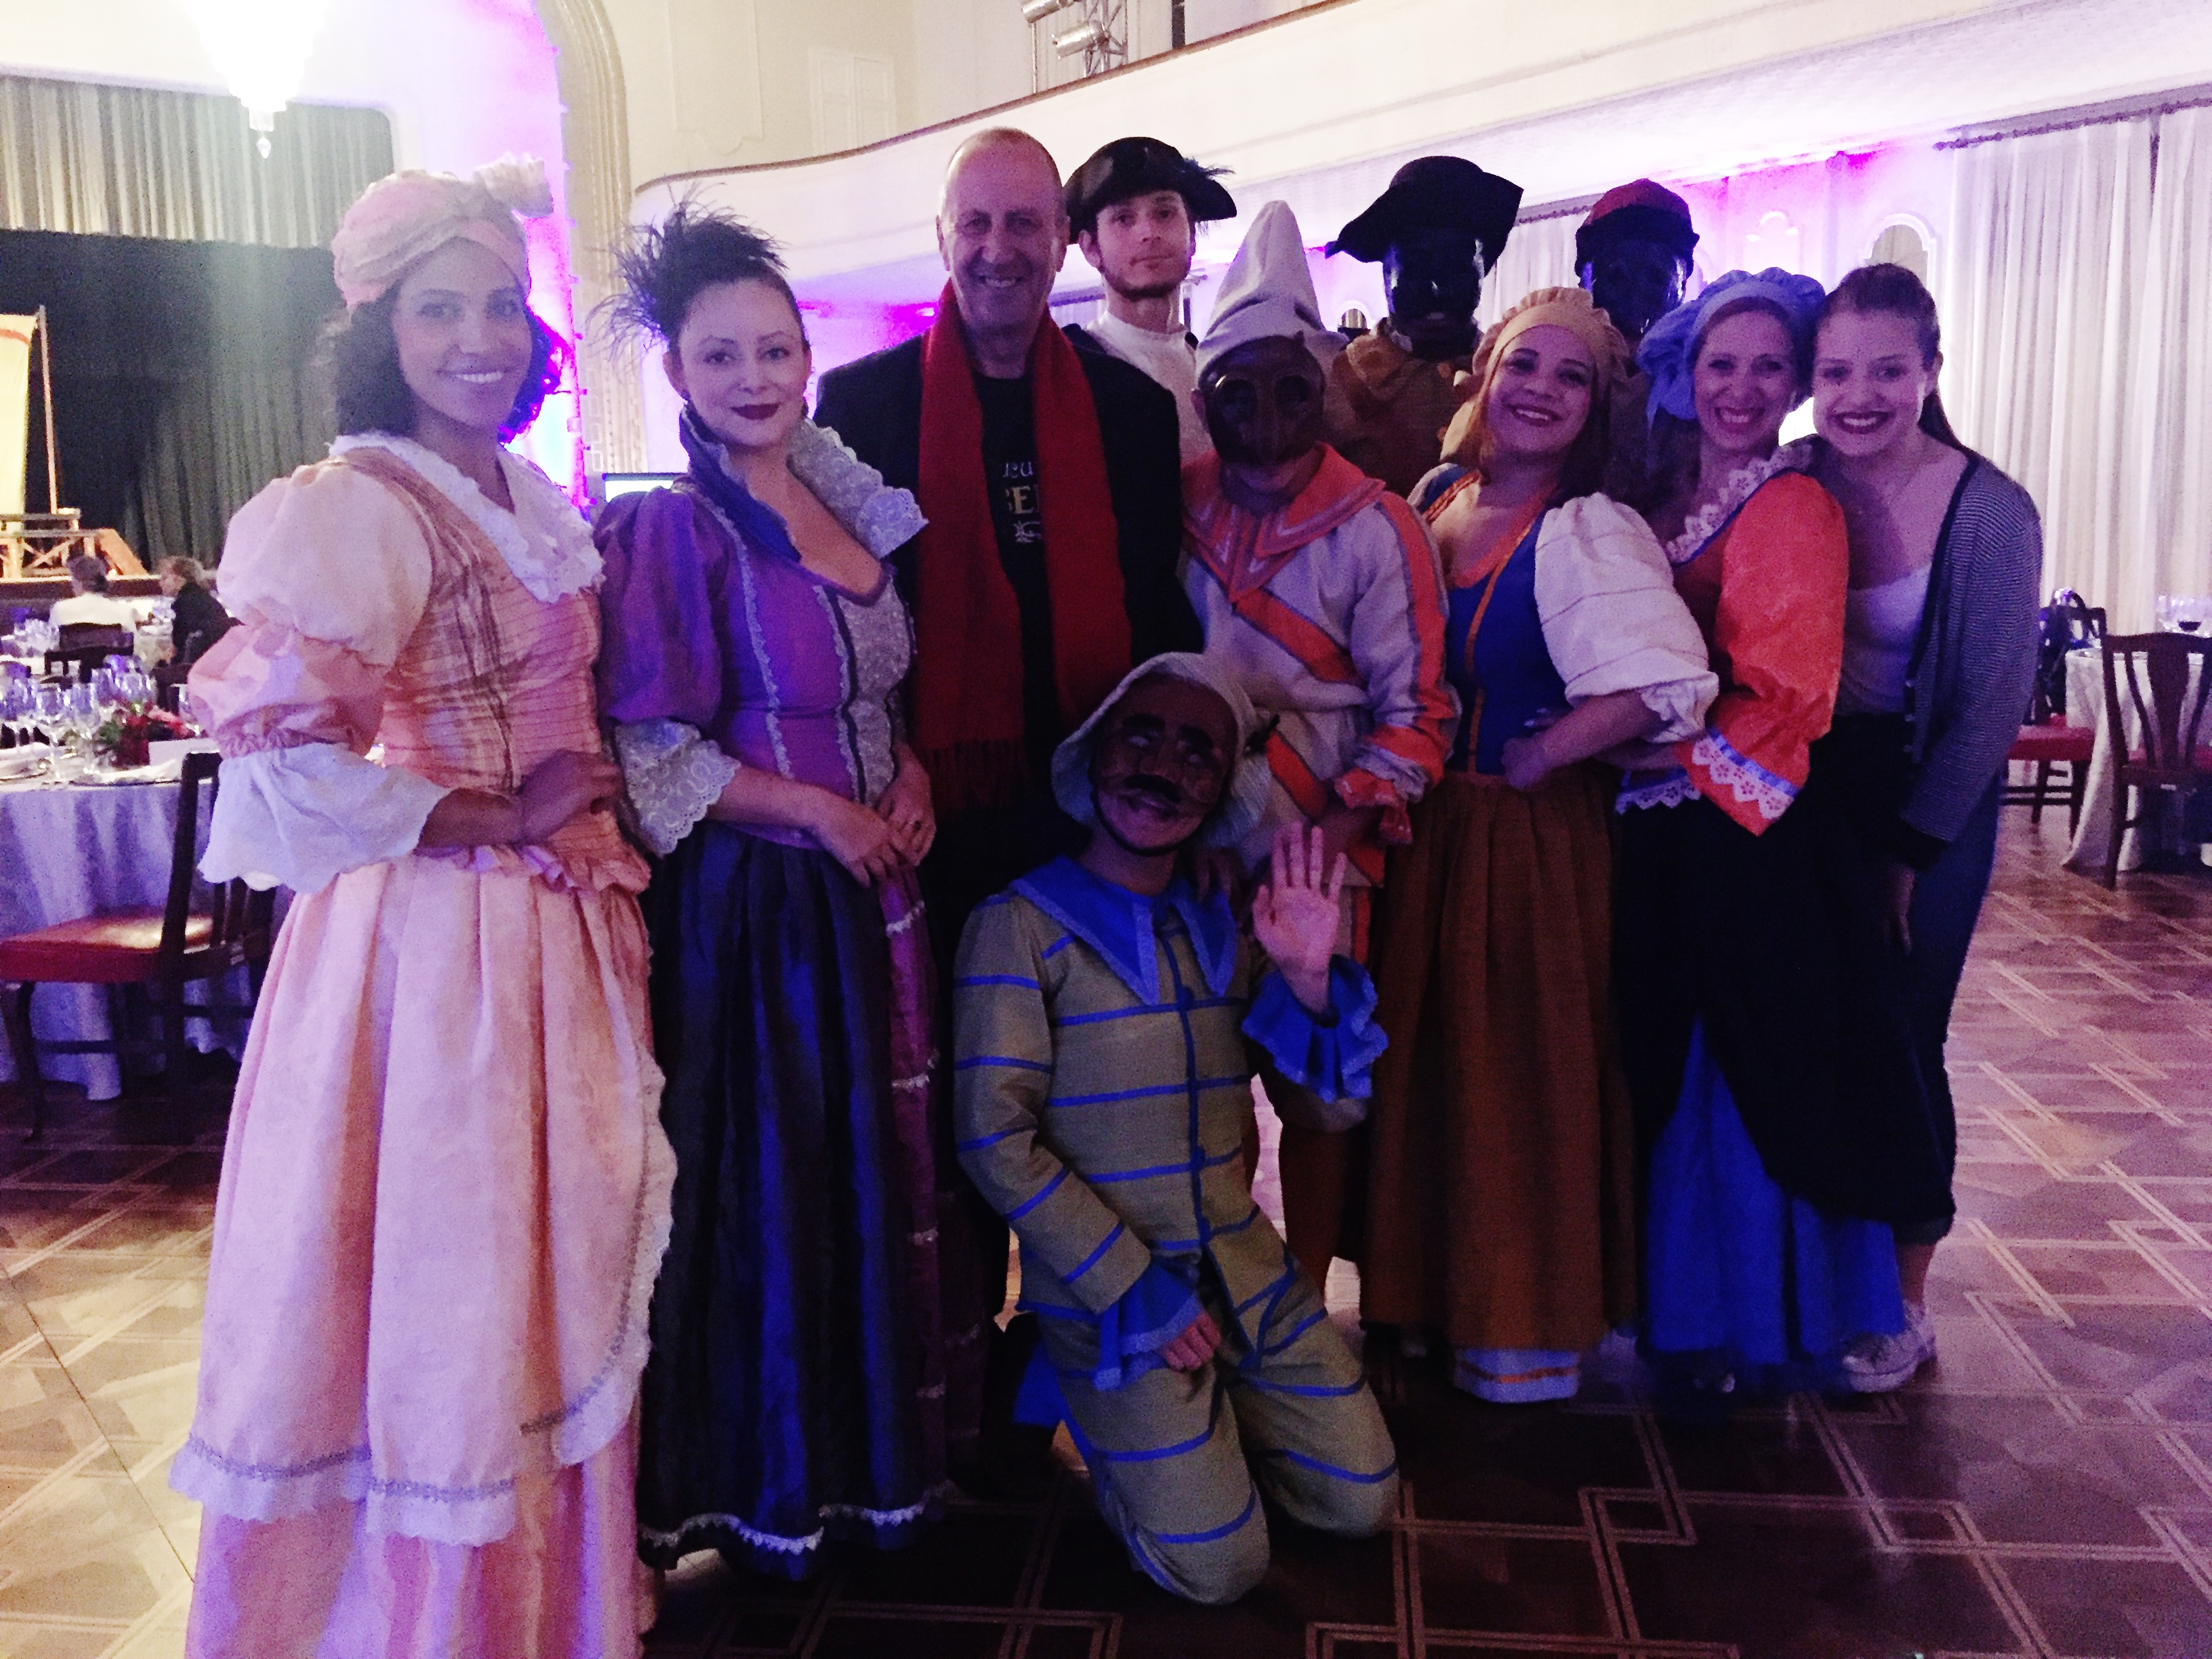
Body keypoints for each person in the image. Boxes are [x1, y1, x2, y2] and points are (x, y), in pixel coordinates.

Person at [171, 157, 670, 1656]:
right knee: (448, 1290)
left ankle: (549, 1610)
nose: (481, 340)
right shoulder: (359, 503)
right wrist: (494, 812)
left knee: (539, 1277)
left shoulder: (524, 496)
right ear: (379, 329)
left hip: (558, 935)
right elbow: (276, 765)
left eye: (502, 307)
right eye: (440, 309)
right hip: (438, 951)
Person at [594, 207, 984, 1574]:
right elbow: (650, 750)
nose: (753, 377)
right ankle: (773, 1490)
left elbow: (877, 690)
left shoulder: (846, 498)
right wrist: (817, 809)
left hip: (877, 892)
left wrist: (911, 768)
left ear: (808, 357)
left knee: (875, 1172)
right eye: (720, 356)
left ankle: (883, 1468)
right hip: (762, 912)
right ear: (679, 373)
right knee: (779, 1184)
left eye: (773, 348)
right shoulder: (671, 529)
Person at [954, 653, 1398, 1605]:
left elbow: (1329, 1113)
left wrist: (1309, 982)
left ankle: (1206, 1425)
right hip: (1114, 1296)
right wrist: (1131, 1286)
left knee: (1360, 1502)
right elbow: (995, 1138)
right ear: (1096, 754)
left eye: (1198, 753)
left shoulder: (1229, 924)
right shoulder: (1016, 926)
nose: (1162, 768)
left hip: (1245, 1273)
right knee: (1217, 1570)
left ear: (1223, 789)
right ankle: (1075, 1380)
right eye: (1141, 736)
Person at [1361, 288, 1715, 1401]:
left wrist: (1545, 750)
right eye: (1524, 364)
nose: (1541, 391)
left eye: (1573, 378)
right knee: (1424, 1070)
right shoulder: (1438, 498)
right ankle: (1419, 1298)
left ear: (1596, 407)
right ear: (1483, 373)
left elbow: (1665, 682)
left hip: (1525, 846)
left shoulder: (1585, 525)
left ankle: (1515, 1322)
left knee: (1513, 1077)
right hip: (1428, 833)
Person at [1612, 268, 1950, 1396]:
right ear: (1688, 372)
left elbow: (1789, 691)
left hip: (1748, 839)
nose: (1742, 388)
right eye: (1722, 363)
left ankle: (1738, 1316)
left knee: (1744, 1072)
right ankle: (1670, 1301)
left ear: (1796, 381)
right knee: (1669, 1062)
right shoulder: (1670, 501)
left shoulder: (1793, 506)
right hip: (1668, 836)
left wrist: (1649, 756)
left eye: (1769, 366)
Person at [813, 127, 1200, 985]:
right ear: (942, 237)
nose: (998, 250)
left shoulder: (1133, 411)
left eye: (1023, 223)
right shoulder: (862, 408)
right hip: (929, 802)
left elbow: (1155, 613)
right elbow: (839, 627)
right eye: (976, 224)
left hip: (1095, 798)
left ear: (1061, 238)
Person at [1180, 199, 1454, 1286]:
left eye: (1288, 389)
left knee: (1319, 1088)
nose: (1263, 415)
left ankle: (1305, 1302)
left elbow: (1420, 714)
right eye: (1235, 392)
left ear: (1322, 390)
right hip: (1196, 842)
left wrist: (1329, 842)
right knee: (1204, 1082)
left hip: (1327, 842)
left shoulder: (1381, 526)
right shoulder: (1180, 507)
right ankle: (1223, 1291)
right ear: (1205, 397)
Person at [1805, 263, 2041, 1391]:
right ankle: (1813, 1276)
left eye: (1886, 371)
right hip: (1804, 789)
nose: (1859, 396)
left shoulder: (1988, 508)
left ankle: (1904, 1302)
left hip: (1927, 796)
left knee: (1903, 1034)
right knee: (1805, 1027)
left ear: (1930, 372)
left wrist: (1907, 852)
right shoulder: (1792, 477)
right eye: (1835, 372)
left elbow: (1990, 704)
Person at [1322, 156, 1522, 496]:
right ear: (1385, 272)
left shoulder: (1517, 374)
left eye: (1456, 269)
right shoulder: (1336, 383)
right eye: (1415, 268)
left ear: (1482, 270)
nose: (1436, 289)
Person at [1063, 135, 1237, 465]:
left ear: (1192, 235)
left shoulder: (1214, 369)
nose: (1148, 233)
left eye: (1164, 213)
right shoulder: (1071, 371)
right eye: (1123, 218)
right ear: (1091, 248)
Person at [1574, 180, 1699, 501]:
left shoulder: (1703, 382)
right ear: (1585, 283)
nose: (1637, 293)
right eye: (1616, 275)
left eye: (1656, 276)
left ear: (1682, 285)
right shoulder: (1557, 370)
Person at [159, 555, 234, 665]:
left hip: (201, 664)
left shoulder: (185, 603)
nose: (160, 583)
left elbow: (181, 647)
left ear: (179, 578)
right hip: (219, 660)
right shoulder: (205, 599)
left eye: (165, 578)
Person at [49, 553, 138, 628]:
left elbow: (52, 641)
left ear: (79, 582)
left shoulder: (60, 610)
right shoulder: (123, 612)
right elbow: (133, 642)